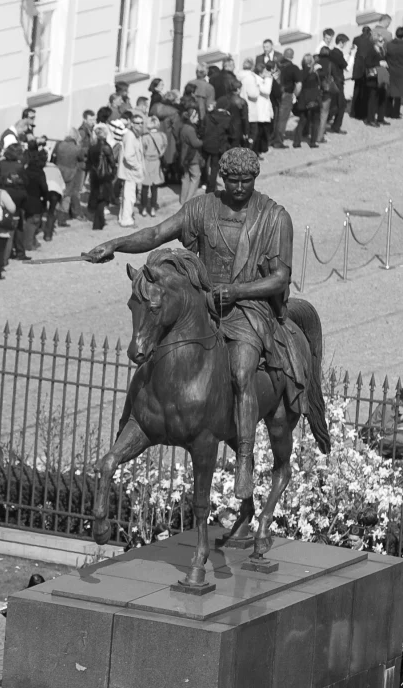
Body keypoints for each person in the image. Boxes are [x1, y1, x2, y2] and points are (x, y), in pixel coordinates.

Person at [84, 148, 305, 541]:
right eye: (231, 181)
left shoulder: (275, 217)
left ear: (255, 178)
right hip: (203, 302)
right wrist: (115, 244)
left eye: (246, 181)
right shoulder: (202, 207)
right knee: (152, 357)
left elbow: (281, 280)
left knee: (240, 368)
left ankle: (244, 459)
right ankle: (132, 420)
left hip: (247, 308)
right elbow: (155, 234)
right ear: (221, 177)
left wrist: (236, 290)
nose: (238, 188)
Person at [116, 112, 145, 228]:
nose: (140, 125)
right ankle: (126, 219)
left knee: (128, 195)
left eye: (142, 123)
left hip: (131, 172)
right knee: (129, 196)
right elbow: (128, 156)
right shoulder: (130, 135)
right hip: (129, 172)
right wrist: (138, 166)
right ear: (132, 123)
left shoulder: (135, 135)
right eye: (137, 123)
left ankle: (124, 217)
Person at [139, 116, 167, 218]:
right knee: (154, 187)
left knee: (145, 187)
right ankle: (153, 208)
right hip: (157, 161)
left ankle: (144, 208)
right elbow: (164, 147)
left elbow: (142, 150)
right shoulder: (162, 136)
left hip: (147, 161)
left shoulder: (145, 137)